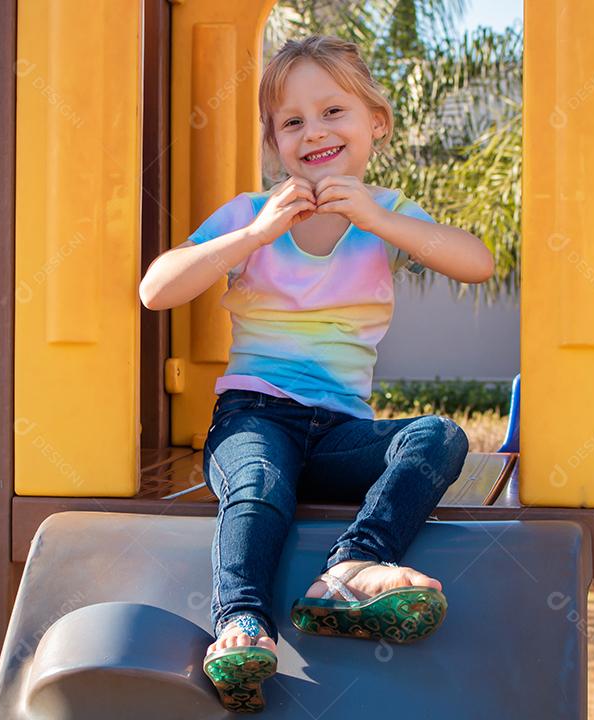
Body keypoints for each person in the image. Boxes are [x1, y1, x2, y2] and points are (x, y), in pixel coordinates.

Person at [139, 34, 494, 713]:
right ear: (274, 144)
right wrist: (252, 237)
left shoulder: (384, 216)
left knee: (438, 436)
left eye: (334, 112)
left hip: (341, 432)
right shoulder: (251, 214)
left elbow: (473, 261)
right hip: (253, 414)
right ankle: (241, 624)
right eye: (293, 121)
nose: (315, 132)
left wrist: (379, 218)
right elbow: (156, 289)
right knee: (259, 482)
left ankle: (354, 564)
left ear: (375, 125)